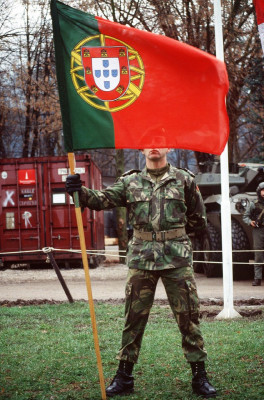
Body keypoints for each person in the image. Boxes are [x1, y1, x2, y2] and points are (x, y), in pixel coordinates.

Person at [65, 148, 217, 398]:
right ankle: (124, 377)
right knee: (133, 318)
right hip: (141, 259)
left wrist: (172, 236)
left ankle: (199, 376)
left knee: (188, 317)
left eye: (160, 141)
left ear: (168, 147)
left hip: (176, 259)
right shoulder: (129, 181)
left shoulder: (184, 180)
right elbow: (101, 200)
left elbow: (198, 219)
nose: (154, 146)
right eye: (148, 142)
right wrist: (78, 191)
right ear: (141, 148)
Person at [242, 182, 264, 286]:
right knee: (258, 254)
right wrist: (250, 222)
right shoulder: (253, 204)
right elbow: (245, 216)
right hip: (258, 230)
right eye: (263, 190)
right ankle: (258, 278)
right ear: (259, 192)